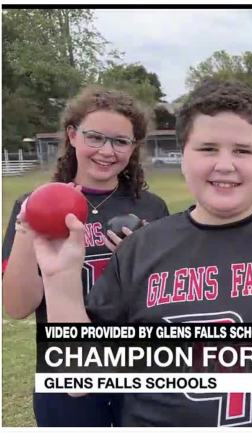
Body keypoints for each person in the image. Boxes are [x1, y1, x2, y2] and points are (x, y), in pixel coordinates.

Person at [28, 79, 252, 427]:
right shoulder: (140, 250)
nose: (225, 165)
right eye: (207, 149)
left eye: (243, 151)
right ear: (183, 158)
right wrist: (60, 281)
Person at [2, 86, 170, 427]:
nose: (107, 151)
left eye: (121, 141)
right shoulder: (35, 204)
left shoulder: (151, 208)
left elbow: (168, 306)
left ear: (134, 147)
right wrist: (28, 228)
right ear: (72, 135)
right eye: (95, 137)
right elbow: (17, 307)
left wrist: (137, 265)